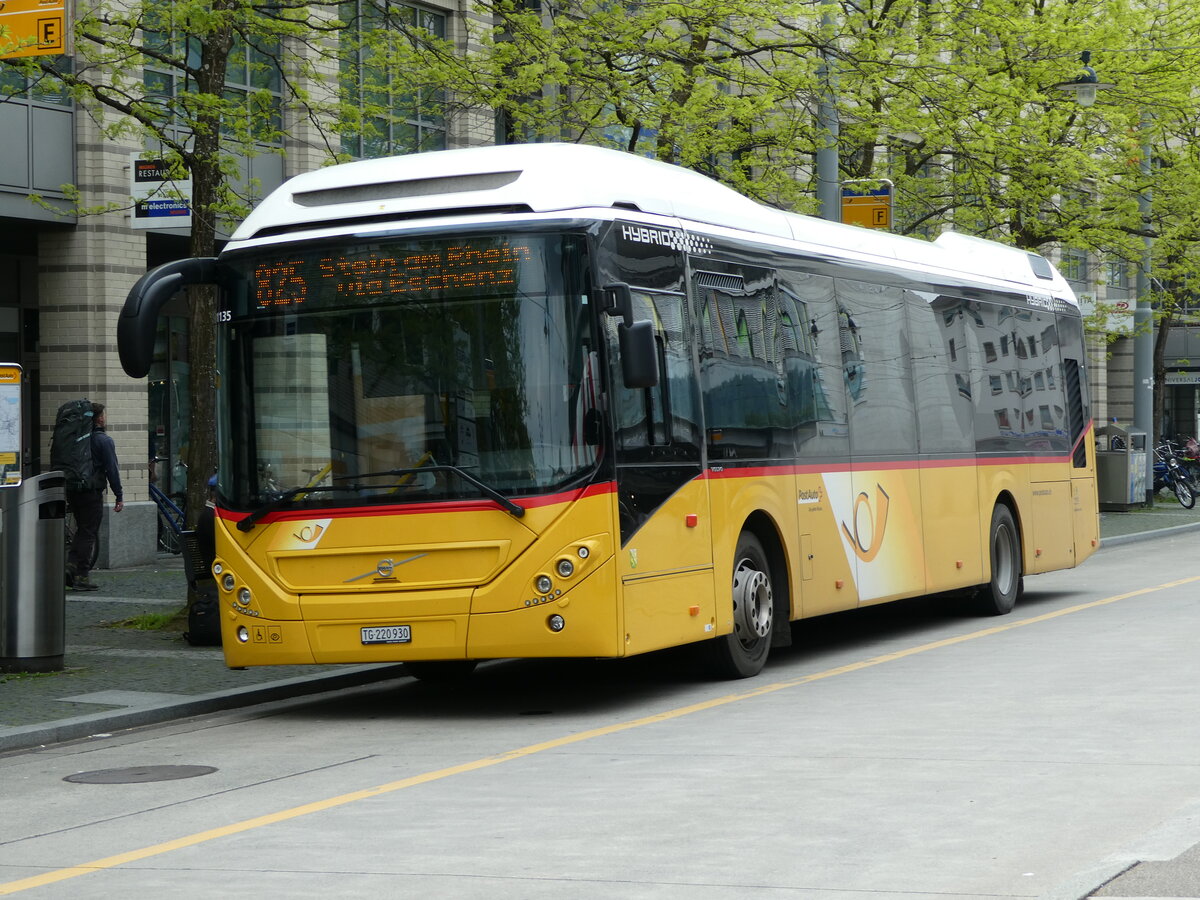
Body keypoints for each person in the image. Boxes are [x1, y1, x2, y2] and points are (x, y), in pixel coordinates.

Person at [65, 402, 124, 591]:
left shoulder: (76, 439)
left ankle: (71, 566)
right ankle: (81, 576)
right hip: (91, 491)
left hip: (73, 490)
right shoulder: (104, 441)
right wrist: (119, 494)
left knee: (82, 529)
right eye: (103, 415)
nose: (105, 418)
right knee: (89, 532)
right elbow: (112, 469)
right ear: (99, 419)